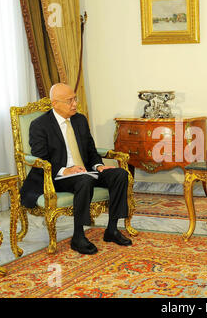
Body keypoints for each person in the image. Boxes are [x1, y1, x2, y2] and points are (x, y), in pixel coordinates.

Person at [20, 83, 132, 255]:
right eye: (69, 101)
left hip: (85, 171)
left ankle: (112, 230)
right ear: (55, 103)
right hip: (56, 177)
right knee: (84, 180)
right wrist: (65, 170)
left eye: (75, 99)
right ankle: (78, 237)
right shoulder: (40, 125)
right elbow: (40, 157)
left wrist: (99, 166)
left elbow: (90, 150)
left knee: (120, 174)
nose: (75, 104)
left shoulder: (80, 120)